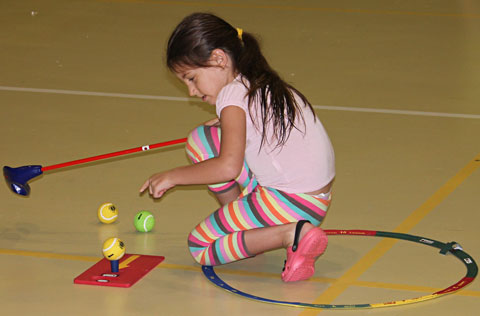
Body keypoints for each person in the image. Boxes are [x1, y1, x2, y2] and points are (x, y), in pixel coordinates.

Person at [140, 12, 335, 282]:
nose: (191, 92)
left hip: (290, 202)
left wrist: (173, 176)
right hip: (311, 197)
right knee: (204, 138)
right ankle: (251, 230)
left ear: (219, 59)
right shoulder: (255, 78)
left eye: (191, 78)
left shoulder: (231, 97)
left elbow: (227, 167)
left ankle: (289, 235)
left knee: (201, 246)